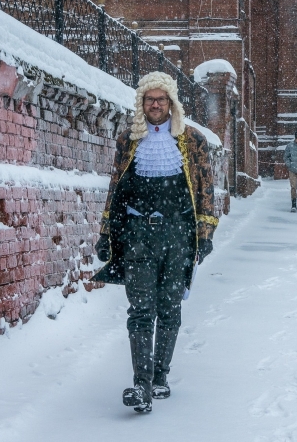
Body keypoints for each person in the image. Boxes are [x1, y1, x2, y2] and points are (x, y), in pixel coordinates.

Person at [93, 71, 218, 414]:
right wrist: (106, 233)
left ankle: (161, 375)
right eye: (150, 99)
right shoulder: (127, 141)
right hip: (138, 237)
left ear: (172, 103)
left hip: (177, 235)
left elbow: (207, 188)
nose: (156, 104)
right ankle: (141, 384)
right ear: (142, 103)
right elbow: (115, 187)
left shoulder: (192, 140)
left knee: (169, 307)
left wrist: (204, 235)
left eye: (162, 99)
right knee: (140, 310)